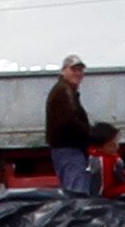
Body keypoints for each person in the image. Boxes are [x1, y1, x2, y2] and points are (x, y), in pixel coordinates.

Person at [43, 56, 104, 196]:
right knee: (77, 194)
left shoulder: (66, 90)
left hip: (69, 149)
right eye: (73, 69)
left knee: (75, 190)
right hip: (69, 149)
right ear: (63, 71)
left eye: (80, 70)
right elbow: (70, 122)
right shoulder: (63, 92)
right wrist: (93, 135)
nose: (77, 73)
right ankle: (77, 217)